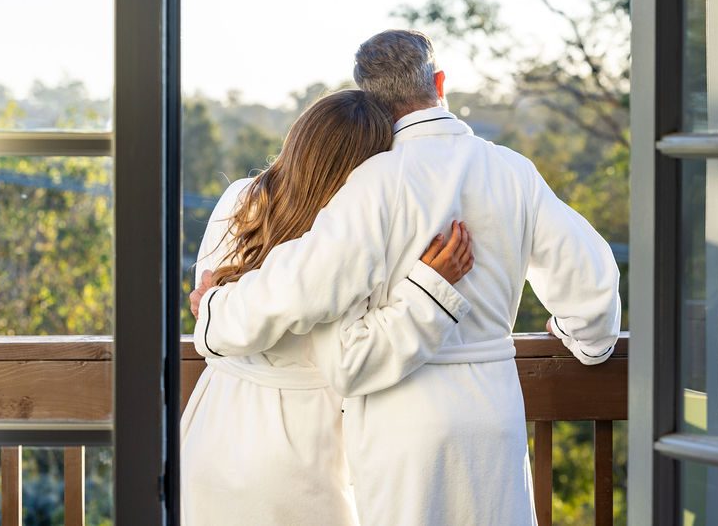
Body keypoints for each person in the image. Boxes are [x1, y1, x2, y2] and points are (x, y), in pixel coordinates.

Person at [191, 30, 621, 525]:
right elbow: (591, 284)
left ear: (369, 103)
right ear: (438, 82)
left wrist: (217, 313)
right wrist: (589, 342)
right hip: (495, 413)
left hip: (402, 423)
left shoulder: (371, 182)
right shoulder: (512, 171)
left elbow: (302, 285)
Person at [181, 89, 476, 525]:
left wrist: (212, 306)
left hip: (212, 427)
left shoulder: (240, 199)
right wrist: (430, 291)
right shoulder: (338, 245)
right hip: (297, 448)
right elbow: (360, 353)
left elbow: (205, 293)